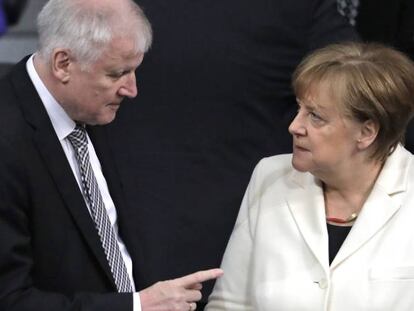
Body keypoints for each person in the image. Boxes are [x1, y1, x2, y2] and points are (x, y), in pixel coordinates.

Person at [107, 1, 358, 307]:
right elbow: (366, 90)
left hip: (115, 230)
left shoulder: (108, 7)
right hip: (237, 234)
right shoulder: (295, 9)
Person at [0, 0, 222, 310]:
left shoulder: (96, 110)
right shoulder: (9, 140)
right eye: (117, 73)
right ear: (63, 64)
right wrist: (136, 306)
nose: (131, 89)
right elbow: (10, 299)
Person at [206, 42, 414, 310]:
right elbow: (230, 304)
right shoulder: (270, 177)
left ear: (366, 133)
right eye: (299, 109)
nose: (294, 126)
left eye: (315, 117)